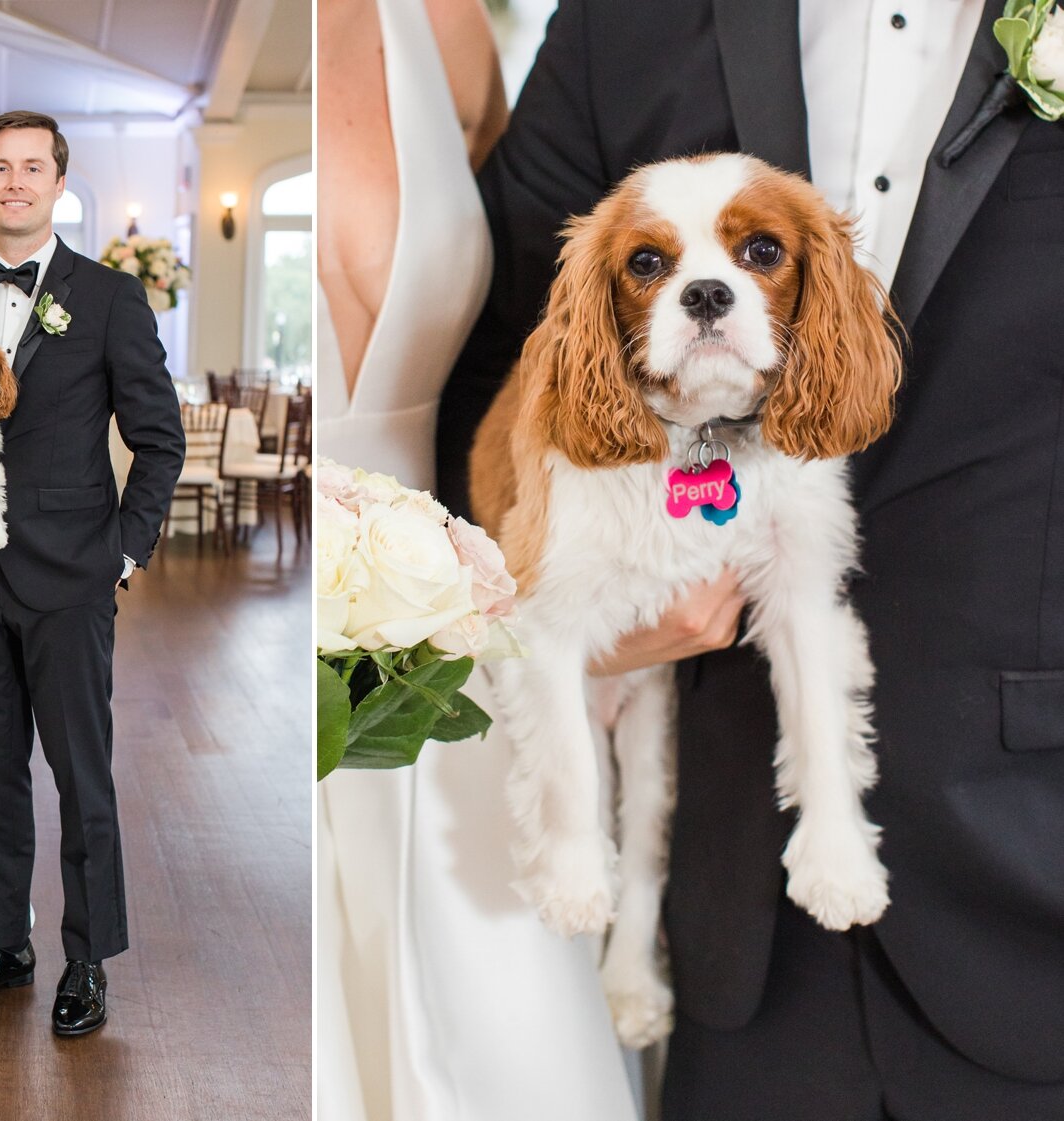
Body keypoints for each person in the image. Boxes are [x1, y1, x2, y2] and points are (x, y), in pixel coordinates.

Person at [439, 1, 1064, 1117]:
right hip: (725, 900)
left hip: (1033, 861)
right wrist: (546, 591)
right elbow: (482, 348)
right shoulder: (615, 23)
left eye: (755, 251)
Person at [316, 1, 641, 1117]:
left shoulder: (442, 22)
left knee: (511, 1044)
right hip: (291, 638)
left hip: (448, 635)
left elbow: (539, 333)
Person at [0, 111, 185, 1039]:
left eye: (33, 168)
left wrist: (126, 550)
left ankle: (87, 955)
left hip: (72, 576)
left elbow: (159, 439)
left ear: (60, 183)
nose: (15, 182)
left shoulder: (107, 297)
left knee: (82, 772)